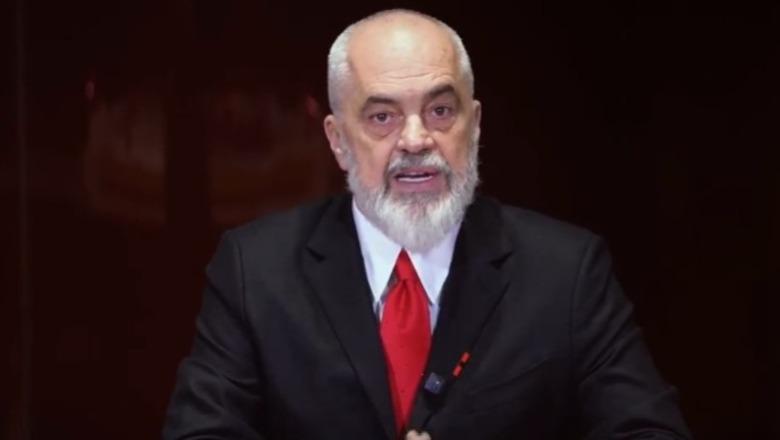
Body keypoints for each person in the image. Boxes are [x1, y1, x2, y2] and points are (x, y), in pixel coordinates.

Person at [163, 9, 692, 440]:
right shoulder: (256, 270)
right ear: (337, 140)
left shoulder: (566, 271)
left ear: (475, 125)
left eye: (440, 111)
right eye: (383, 117)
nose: (416, 140)